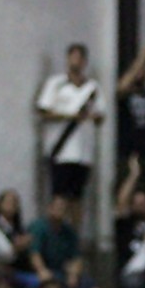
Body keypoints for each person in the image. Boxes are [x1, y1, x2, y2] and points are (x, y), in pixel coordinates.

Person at [37, 43, 107, 227]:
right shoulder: (55, 83)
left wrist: (93, 117)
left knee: (77, 198)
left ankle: (74, 237)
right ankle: (54, 235)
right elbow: (44, 112)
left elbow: (100, 116)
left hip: (83, 153)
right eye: (73, 57)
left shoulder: (92, 87)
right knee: (58, 197)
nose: (76, 61)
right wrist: (70, 116)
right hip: (61, 150)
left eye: (80, 58)